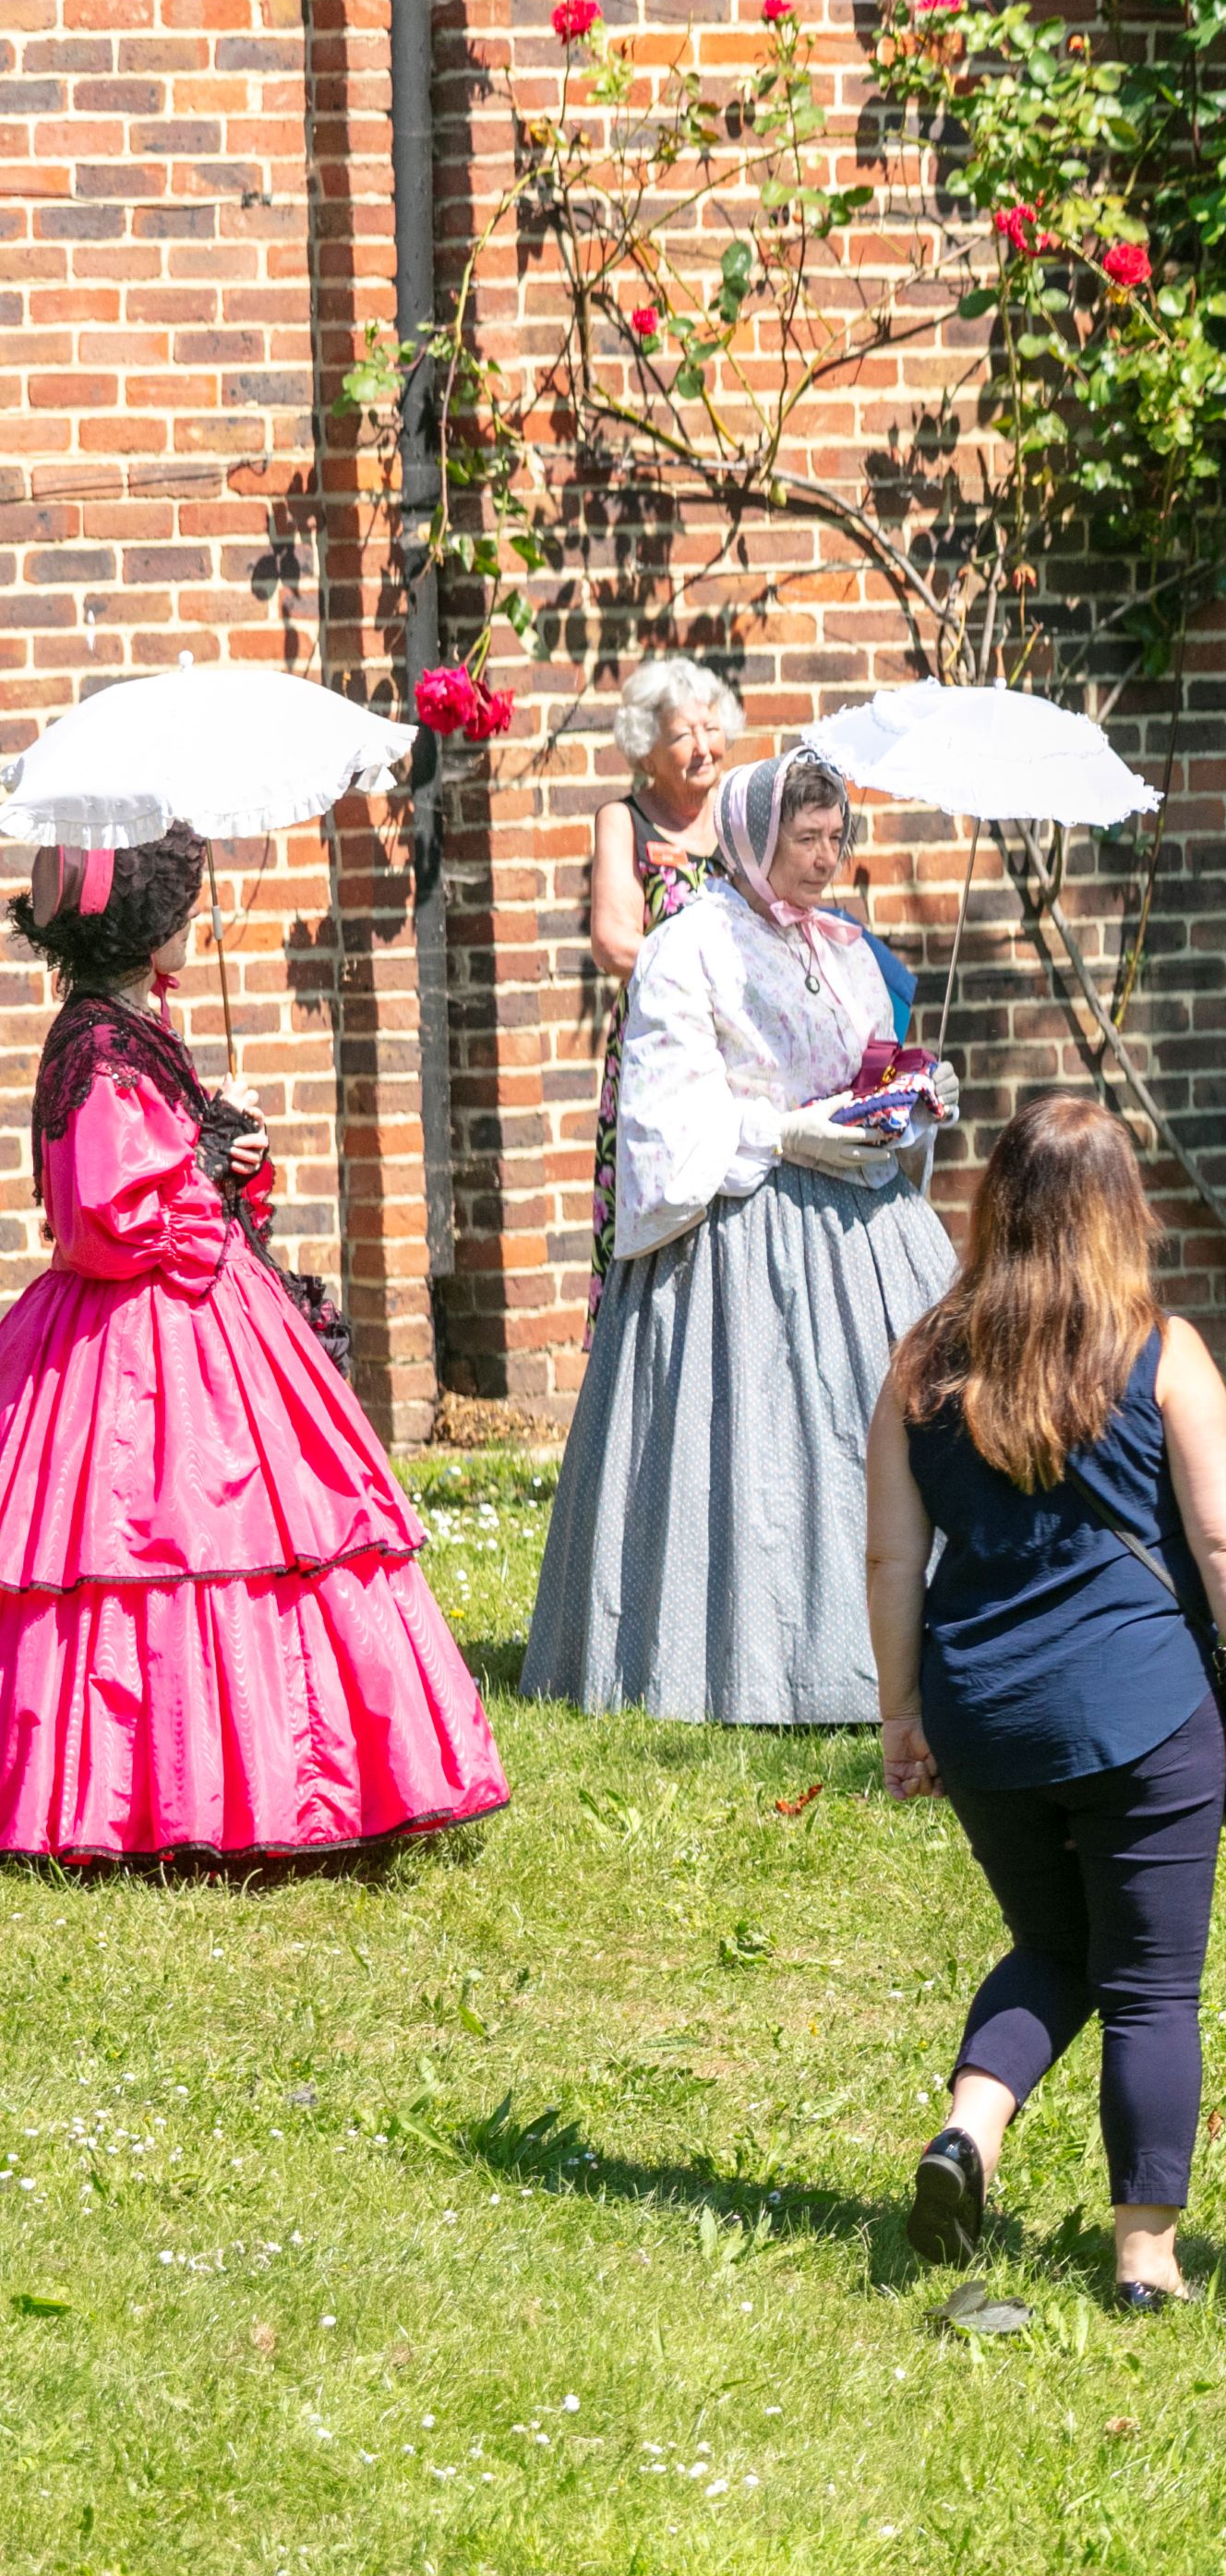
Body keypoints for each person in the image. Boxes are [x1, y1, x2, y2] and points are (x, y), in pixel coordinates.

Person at [0, 831, 507, 1861]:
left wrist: (218, 1141)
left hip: (186, 1308)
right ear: (145, 933)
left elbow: (157, 1157)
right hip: (140, 1330)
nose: (202, 925)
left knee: (266, 1533)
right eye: (185, 911)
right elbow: (104, 1216)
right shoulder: (96, 1045)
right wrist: (198, 1167)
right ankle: (152, 1793)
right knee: (164, 1537)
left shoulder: (130, 1027)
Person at [861, 1096, 1226, 2305]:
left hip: (983, 1710)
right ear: (1122, 1213)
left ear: (992, 1203)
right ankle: (1145, 2258)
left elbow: (894, 1560)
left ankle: (971, 2131)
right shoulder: (1164, 1349)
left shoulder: (921, 1362)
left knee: (1056, 1945)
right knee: (1149, 1981)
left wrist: (903, 1712)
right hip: (1145, 1711)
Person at [523, 752, 956, 1722]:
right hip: (734, 1239)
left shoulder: (839, 947)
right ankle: (745, 1662)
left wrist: (902, 1097)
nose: (825, 858)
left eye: (835, 839)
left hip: (860, 1225)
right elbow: (666, 1117)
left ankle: (925, 1645)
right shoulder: (690, 946)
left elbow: (855, 1065)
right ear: (757, 838)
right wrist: (777, 1131)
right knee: (757, 1460)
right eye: (805, 840)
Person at [585, 658, 739, 1278]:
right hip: (661, 1047)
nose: (703, 746)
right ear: (647, 749)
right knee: (662, 1210)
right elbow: (614, 941)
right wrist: (702, 983)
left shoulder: (741, 813)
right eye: (683, 735)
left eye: (711, 727)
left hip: (739, 1042)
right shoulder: (625, 820)